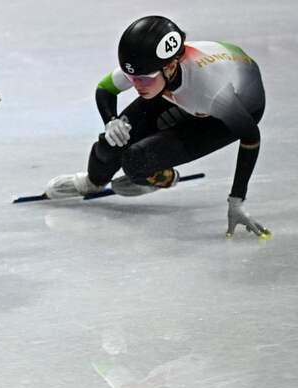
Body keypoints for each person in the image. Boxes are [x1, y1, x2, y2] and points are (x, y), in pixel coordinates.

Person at [44, 16, 271, 239]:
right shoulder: (149, 68)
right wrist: (111, 120)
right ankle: (92, 182)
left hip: (229, 110)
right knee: (110, 143)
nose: (136, 86)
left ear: (171, 66)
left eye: (143, 79)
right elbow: (105, 88)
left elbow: (251, 136)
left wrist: (236, 200)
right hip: (179, 90)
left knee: (136, 161)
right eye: (131, 78)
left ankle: (164, 176)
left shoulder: (211, 92)